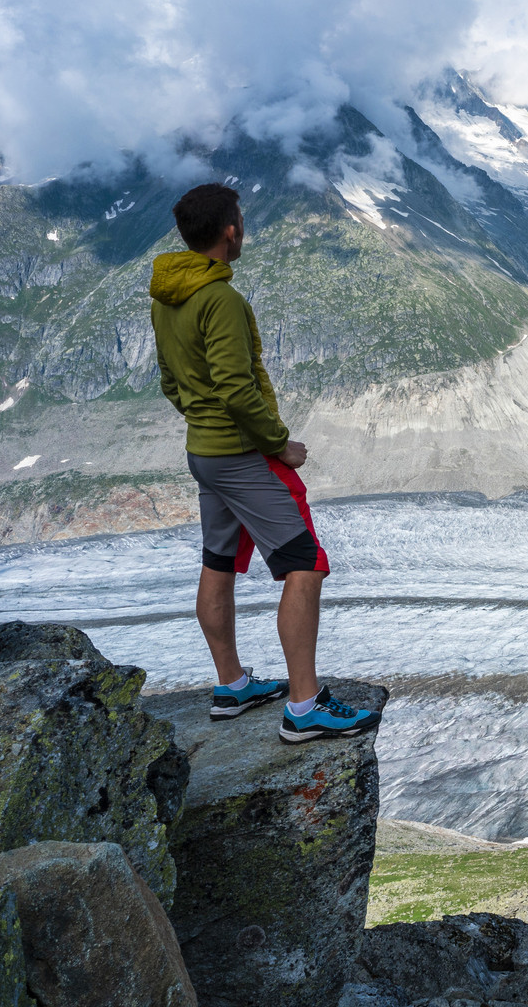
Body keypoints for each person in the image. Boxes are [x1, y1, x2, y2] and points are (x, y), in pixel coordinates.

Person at [149, 183, 378, 743]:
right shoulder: (219, 299)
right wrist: (279, 444)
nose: (243, 227)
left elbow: (170, 381)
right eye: (241, 220)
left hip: (203, 451)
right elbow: (236, 389)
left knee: (218, 560)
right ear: (231, 230)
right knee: (305, 562)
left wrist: (202, 422)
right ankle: (304, 707)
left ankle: (232, 684)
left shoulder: (168, 296)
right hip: (238, 453)